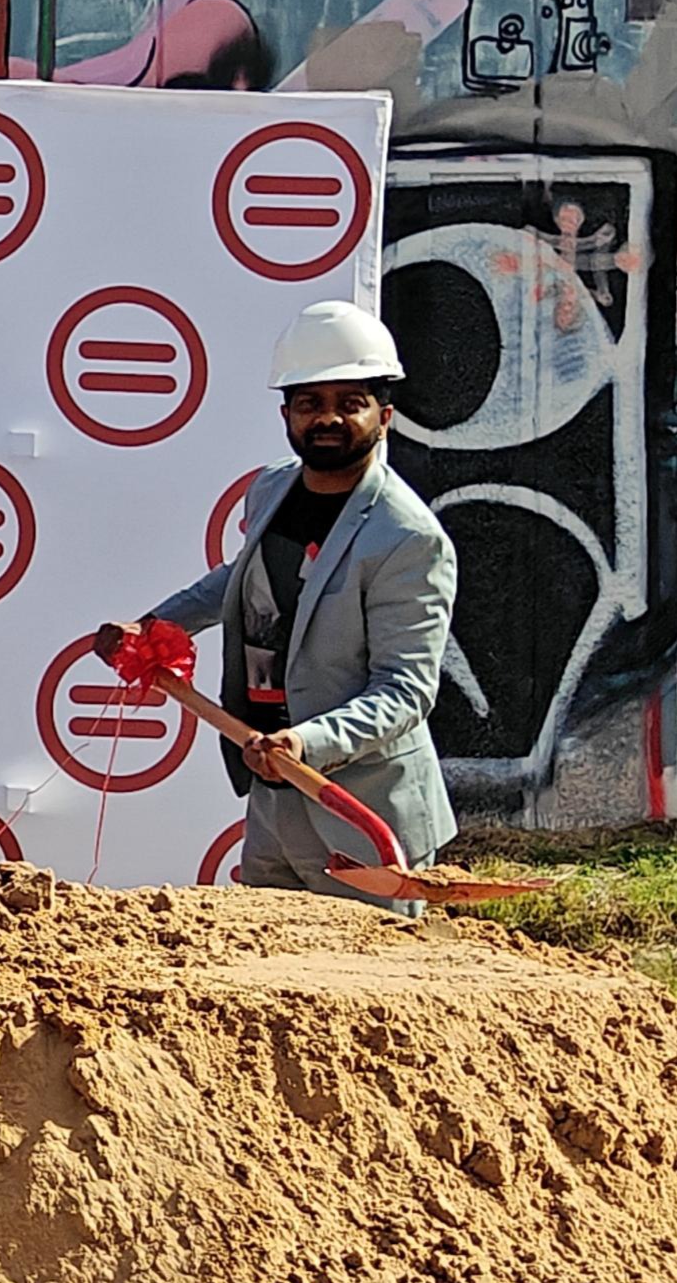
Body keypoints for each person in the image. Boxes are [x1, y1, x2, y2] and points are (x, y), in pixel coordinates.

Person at [95, 301, 458, 899]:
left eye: (350, 404)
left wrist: (306, 742)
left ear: (385, 416)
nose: (329, 419)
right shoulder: (271, 490)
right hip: (273, 799)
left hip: (358, 809)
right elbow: (243, 579)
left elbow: (405, 692)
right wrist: (153, 625)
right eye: (311, 404)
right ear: (286, 414)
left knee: (355, 983)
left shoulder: (407, 539)